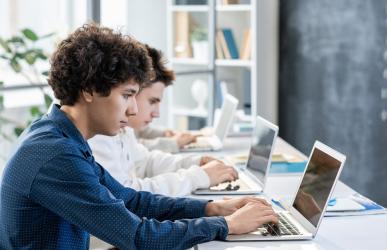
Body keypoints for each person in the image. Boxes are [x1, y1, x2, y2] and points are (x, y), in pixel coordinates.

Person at [0, 23, 278, 249]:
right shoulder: (55, 154)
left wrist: (215, 209)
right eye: (127, 95)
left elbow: (130, 200)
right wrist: (228, 225)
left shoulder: (60, 136)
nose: (133, 109)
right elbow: (136, 236)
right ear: (88, 90)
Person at [89, 45, 238, 196]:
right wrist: (198, 177)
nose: (157, 113)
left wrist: (195, 163)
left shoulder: (122, 129)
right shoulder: (99, 134)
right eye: (152, 101)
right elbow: (129, 196)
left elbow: (145, 162)